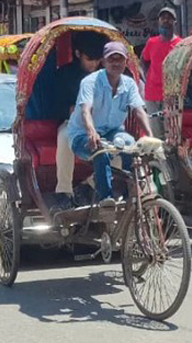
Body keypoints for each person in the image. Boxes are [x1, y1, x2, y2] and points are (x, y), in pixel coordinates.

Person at [67, 42, 154, 206]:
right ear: (104, 62)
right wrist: (91, 132)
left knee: (131, 145)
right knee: (101, 151)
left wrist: (150, 135)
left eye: (119, 59)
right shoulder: (90, 82)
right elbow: (86, 109)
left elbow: (138, 110)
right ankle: (105, 199)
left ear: (125, 62)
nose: (115, 63)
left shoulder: (129, 84)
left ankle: (131, 193)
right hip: (82, 135)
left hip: (113, 132)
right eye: (111, 59)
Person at [53, 33, 105, 211]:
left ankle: (87, 186)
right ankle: (64, 192)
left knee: (123, 151)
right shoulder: (64, 75)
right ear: (78, 54)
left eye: (98, 60)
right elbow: (55, 105)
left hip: (100, 126)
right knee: (65, 138)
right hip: (71, 124)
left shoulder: (105, 77)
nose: (94, 64)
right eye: (90, 59)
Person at [141, 6, 181, 136]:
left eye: (169, 18)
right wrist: (147, 77)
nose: (165, 20)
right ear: (158, 21)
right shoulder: (151, 42)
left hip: (171, 94)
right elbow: (143, 60)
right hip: (152, 93)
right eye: (163, 18)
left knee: (171, 131)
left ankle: (171, 156)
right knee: (155, 132)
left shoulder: (180, 44)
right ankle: (158, 156)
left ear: (175, 22)